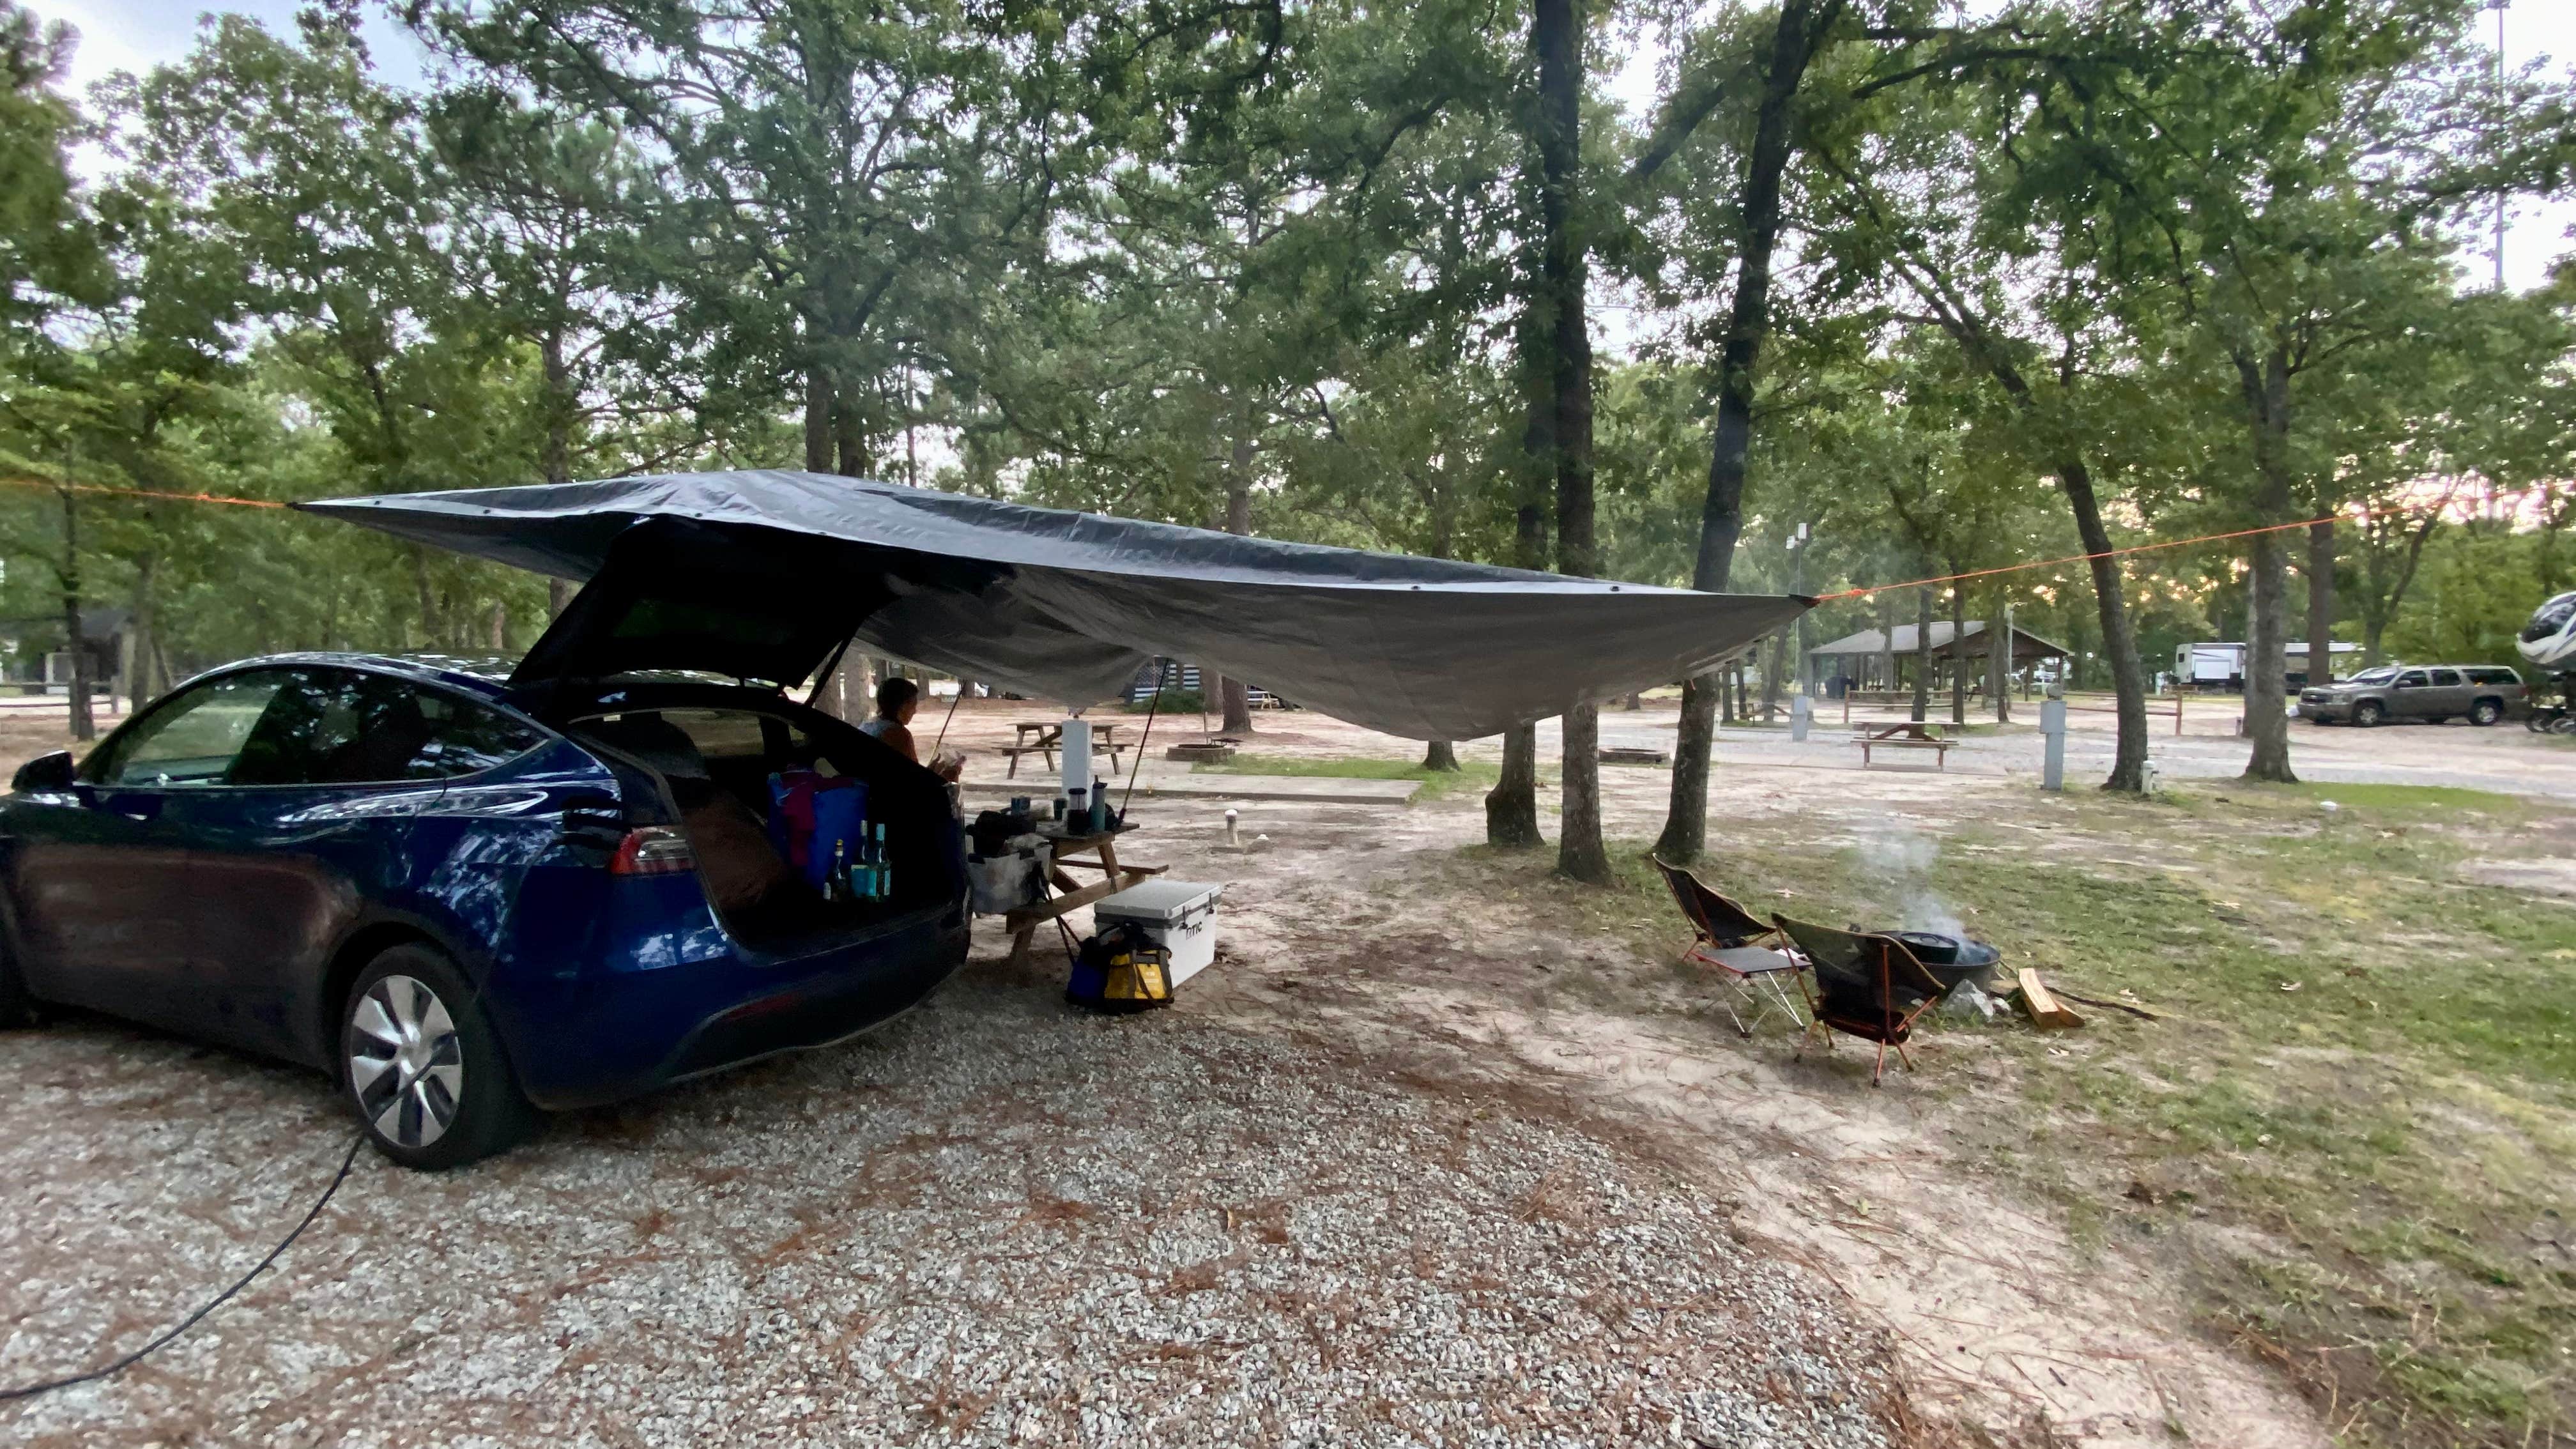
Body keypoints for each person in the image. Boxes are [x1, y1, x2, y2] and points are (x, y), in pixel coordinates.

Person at [859, 677, 962, 781]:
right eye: (913, 706)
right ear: (903, 706)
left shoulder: (867, 726)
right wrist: (946, 776)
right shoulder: (897, 734)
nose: (915, 711)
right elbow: (914, 783)